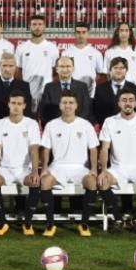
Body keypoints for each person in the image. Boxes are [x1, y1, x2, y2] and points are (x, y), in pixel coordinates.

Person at [36, 90, 100, 237]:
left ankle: (84, 223)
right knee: (45, 182)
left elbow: (93, 149)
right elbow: (45, 149)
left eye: (71, 102)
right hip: (58, 167)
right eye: (64, 102)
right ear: (60, 105)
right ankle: (50, 224)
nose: (68, 105)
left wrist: (94, 169)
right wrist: (44, 168)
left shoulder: (85, 125)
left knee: (92, 182)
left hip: (80, 168)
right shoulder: (51, 125)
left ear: (76, 105)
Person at [97, 88, 136, 233]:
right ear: (119, 103)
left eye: (131, 100)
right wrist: (104, 170)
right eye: (124, 100)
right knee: (102, 181)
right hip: (117, 169)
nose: (128, 103)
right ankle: (118, 220)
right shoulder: (110, 122)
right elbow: (104, 148)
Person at [0, 91, 42, 236]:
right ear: (8, 104)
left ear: (24, 105)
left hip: (24, 169)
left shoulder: (31, 124)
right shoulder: (0, 124)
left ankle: (28, 223)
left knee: (36, 182)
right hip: (5, 168)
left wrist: (35, 171)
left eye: (19, 104)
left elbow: (34, 150)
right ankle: (2, 222)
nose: (16, 107)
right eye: (13, 103)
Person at [15, 14, 59, 115]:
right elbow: (18, 71)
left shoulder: (52, 48)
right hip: (27, 92)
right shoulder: (21, 48)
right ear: (29, 26)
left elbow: (55, 71)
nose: (37, 27)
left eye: (40, 24)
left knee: (46, 119)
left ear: (44, 27)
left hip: (47, 92)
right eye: (34, 24)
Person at [0, 52, 32, 140]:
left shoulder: (24, 86)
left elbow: (27, 112)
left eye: (11, 66)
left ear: (16, 67)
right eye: (4, 65)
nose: (7, 69)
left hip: (18, 133)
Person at [38, 56, 92, 127]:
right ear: (57, 69)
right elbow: (46, 111)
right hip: (56, 126)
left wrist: (75, 123)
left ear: (73, 68)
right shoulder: (49, 87)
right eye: (62, 66)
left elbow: (86, 109)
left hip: (78, 126)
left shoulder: (82, 86)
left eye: (68, 66)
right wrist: (61, 122)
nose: (65, 69)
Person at [93, 57, 136, 127]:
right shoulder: (100, 89)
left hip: (130, 128)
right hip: (107, 128)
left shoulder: (135, 89)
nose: (118, 71)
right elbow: (96, 111)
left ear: (126, 70)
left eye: (121, 68)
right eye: (115, 68)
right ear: (110, 70)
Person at [62, 22, 105, 98]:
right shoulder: (66, 53)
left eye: (84, 32)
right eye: (78, 32)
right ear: (74, 34)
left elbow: (99, 73)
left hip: (90, 95)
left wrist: (90, 81)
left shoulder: (96, 53)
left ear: (88, 33)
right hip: (71, 94)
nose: (81, 35)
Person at [103, 22, 136, 87]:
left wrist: (134, 87)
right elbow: (108, 74)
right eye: (121, 30)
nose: (124, 33)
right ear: (117, 32)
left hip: (133, 89)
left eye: (126, 30)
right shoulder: (109, 52)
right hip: (116, 90)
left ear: (130, 33)